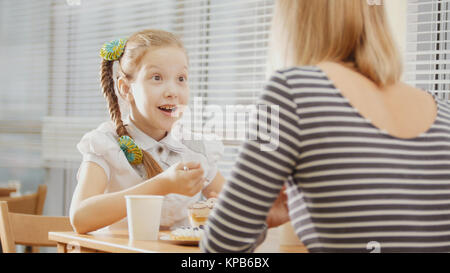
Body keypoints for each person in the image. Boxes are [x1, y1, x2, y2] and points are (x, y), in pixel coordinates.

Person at [200, 0, 450, 253]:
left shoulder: (294, 90)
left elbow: (220, 248)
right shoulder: (444, 112)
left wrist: (256, 222)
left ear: (295, 16)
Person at [70, 29, 226, 234]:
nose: (172, 91)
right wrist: (162, 185)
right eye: (157, 77)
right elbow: (80, 218)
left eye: (181, 78)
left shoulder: (195, 148)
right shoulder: (106, 144)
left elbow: (233, 206)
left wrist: (223, 211)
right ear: (126, 88)